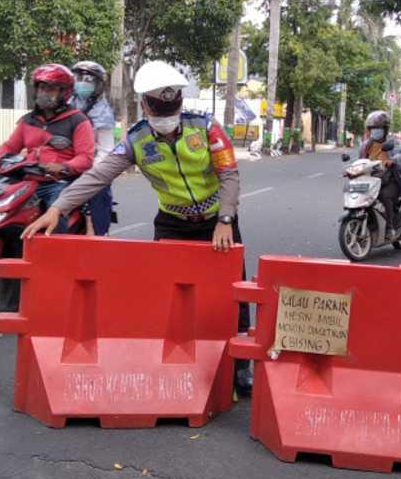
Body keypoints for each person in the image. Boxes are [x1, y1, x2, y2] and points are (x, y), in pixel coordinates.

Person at [22, 60, 253, 394]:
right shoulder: (137, 140)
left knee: (233, 296)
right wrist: (58, 207)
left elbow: (229, 174)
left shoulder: (206, 129)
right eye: (157, 110)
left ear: (180, 103)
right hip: (172, 224)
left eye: (170, 110)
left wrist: (225, 219)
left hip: (218, 223)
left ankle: (240, 368)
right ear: (144, 106)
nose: (165, 122)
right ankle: (172, 364)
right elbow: (99, 175)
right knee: (168, 297)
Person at [0, 63, 94, 234]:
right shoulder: (28, 120)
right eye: (42, 88)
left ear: (64, 92)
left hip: (58, 183)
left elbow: (86, 158)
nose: (45, 93)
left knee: (56, 213)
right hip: (27, 180)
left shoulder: (78, 120)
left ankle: (56, 252)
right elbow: (10, 147)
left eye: (51, 89)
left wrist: (64, 167)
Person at [70, 60, 116, 236]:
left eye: (88, 79)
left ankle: (97, 234)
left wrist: (90, 170)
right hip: (64, 163)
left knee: (98, 191)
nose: (82, 83)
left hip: (92, 166)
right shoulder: (65, 105)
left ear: (98, 84)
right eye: (79, 78)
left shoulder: (103, 112)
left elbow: (106, 149)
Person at [359, 110, 401, 240]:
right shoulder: (366, 145)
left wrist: (392, 161)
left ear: (385, 129)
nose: (374, 131)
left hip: (390, 179)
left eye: (377, 128)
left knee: (384, 196)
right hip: (371, 179)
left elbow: (400, 155)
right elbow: (360, 161)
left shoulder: (392, 142)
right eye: (372, 128)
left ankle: (390, 227)